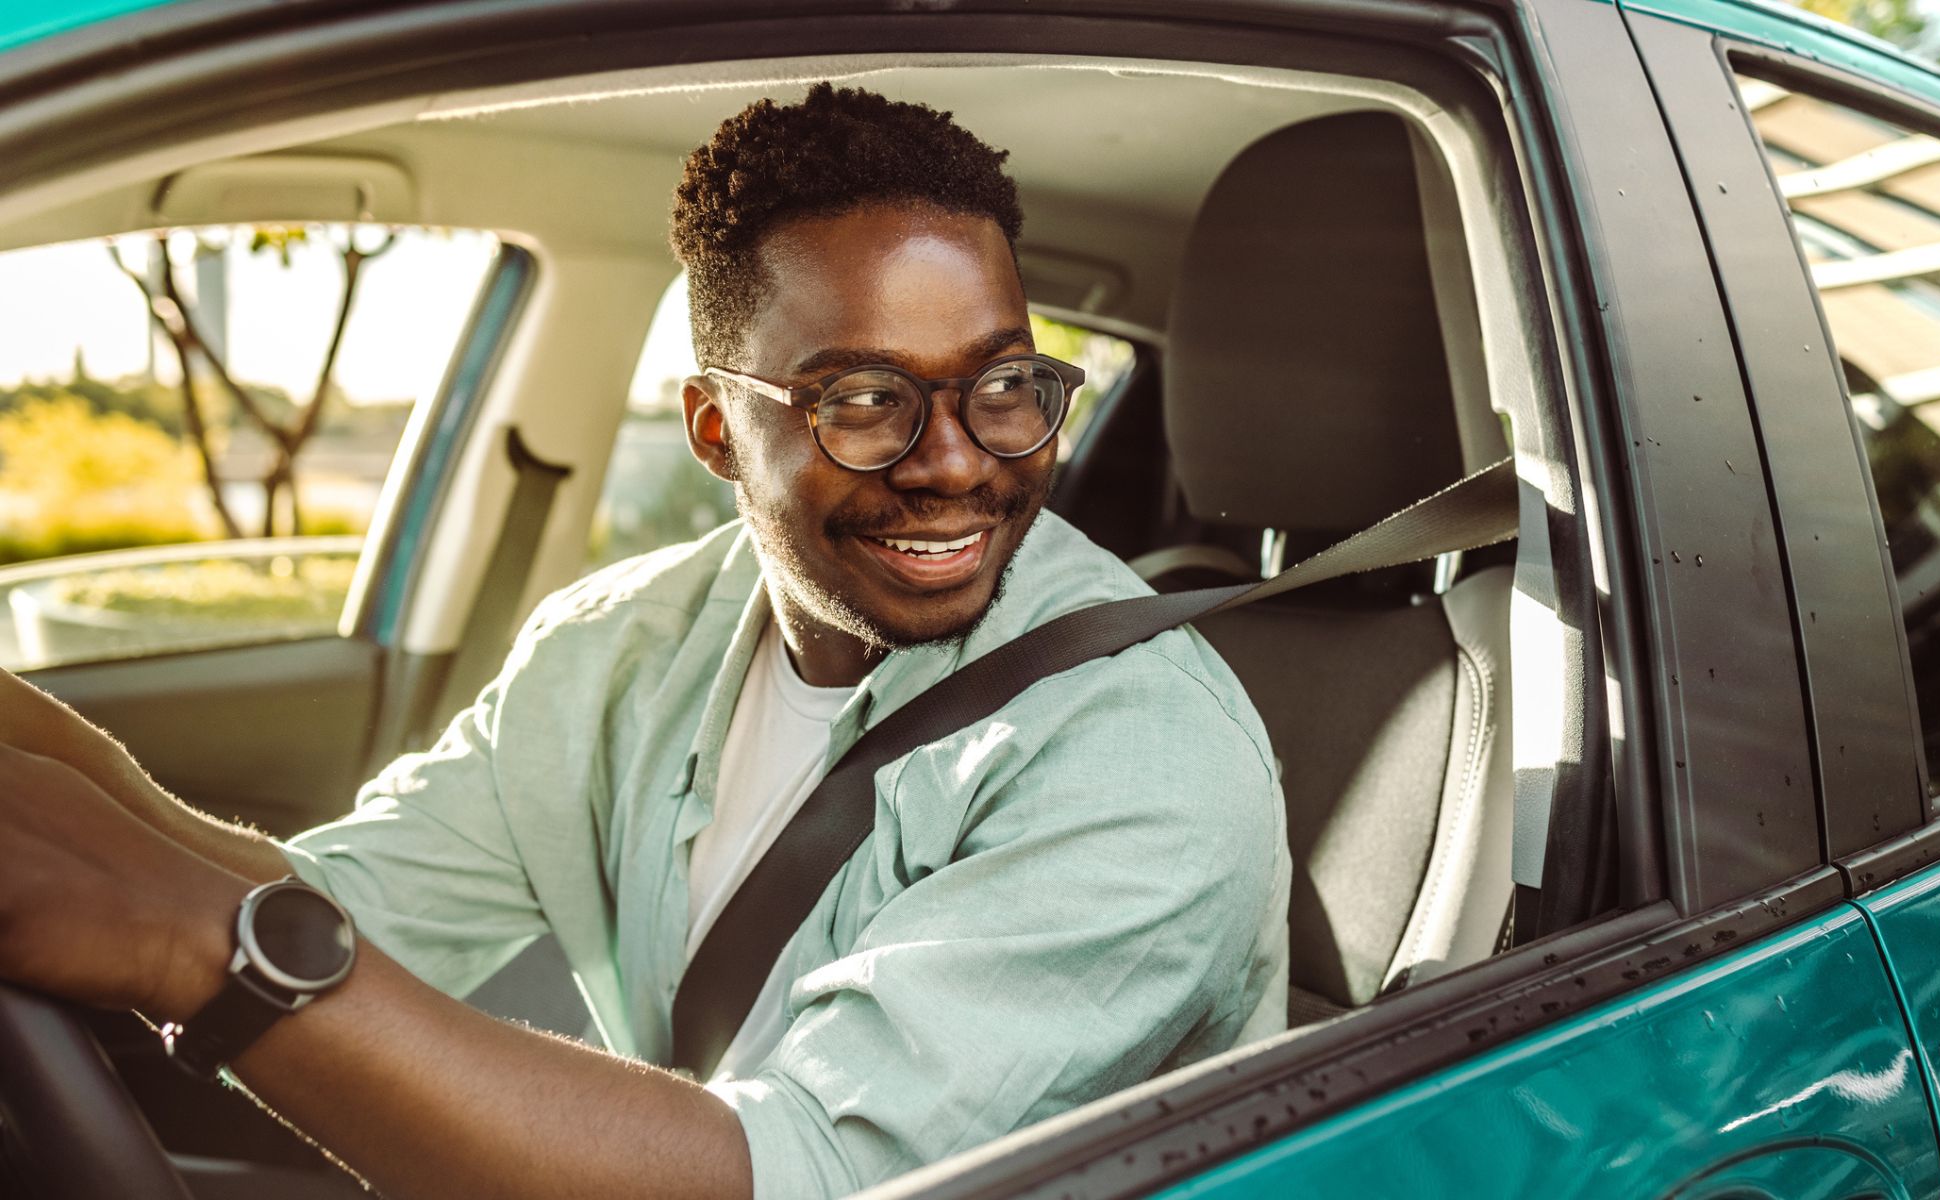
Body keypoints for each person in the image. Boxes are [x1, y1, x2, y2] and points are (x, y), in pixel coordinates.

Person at [0, 83, 1286, 1199]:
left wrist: (185, 934)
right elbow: (352, 917)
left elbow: (800, 1180)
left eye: (1003, 384)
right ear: (717, 433)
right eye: (863, 400)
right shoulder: (618, 647)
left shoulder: (1145, 754)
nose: (955, 463)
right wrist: (62, 768)